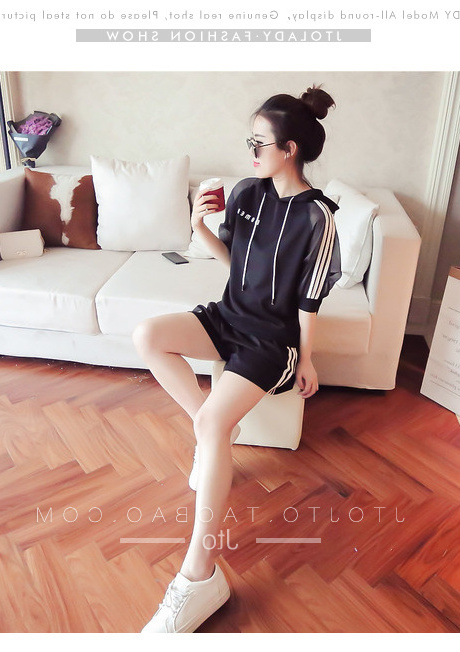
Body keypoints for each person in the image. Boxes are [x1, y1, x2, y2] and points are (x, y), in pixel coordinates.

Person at [133, 85, 341, 633]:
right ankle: (213, 436)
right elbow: (236, 264)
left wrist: (307, 359)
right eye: (249, 141)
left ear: (290, 149)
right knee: (149, 336)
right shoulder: (248, 192)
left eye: (259, 143)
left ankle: (198, 578)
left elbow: (309, 300)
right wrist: (198, 228)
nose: (250, 152)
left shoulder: (318, 217)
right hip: (229, 317)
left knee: (211, 424)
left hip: (272, 342)